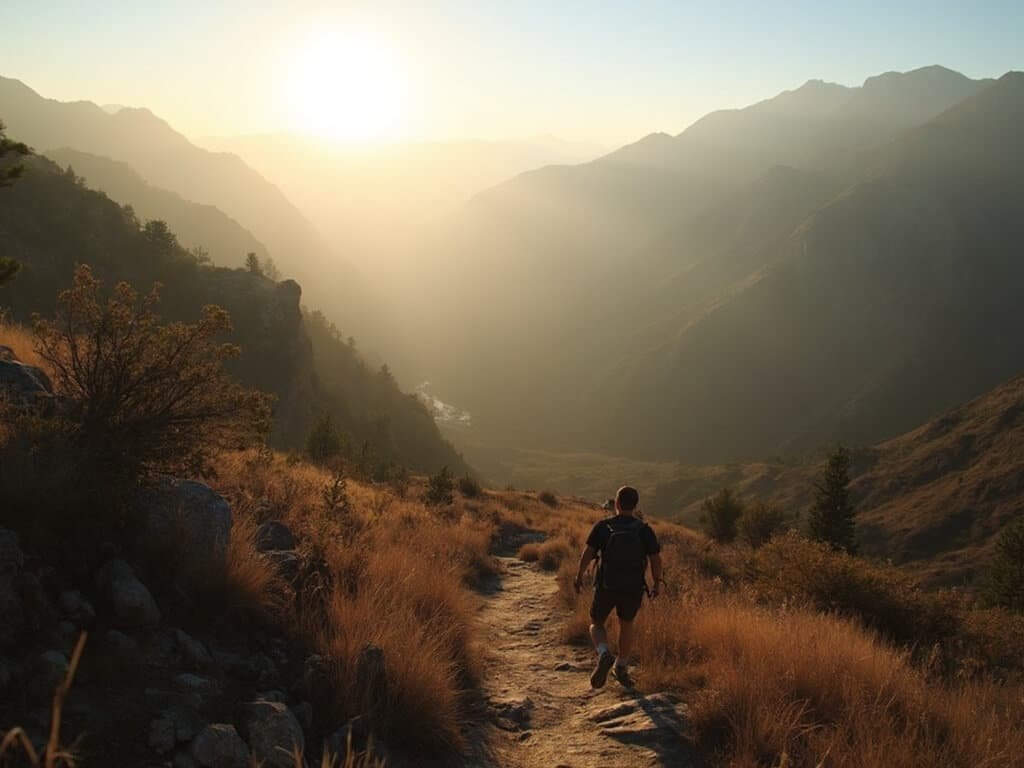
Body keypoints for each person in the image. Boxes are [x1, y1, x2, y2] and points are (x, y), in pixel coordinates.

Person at [574, 485, 662, 689]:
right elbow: (656, 559)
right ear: (635, 505)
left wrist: (579, 575)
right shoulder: (644, 530)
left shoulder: (604, 526)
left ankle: (604, 652)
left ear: (617, 503)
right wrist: (657, 583)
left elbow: (587, 553)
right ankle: (621, 666)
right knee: (627, 624)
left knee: (596, 623)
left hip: (607, 585)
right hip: (633, 587)